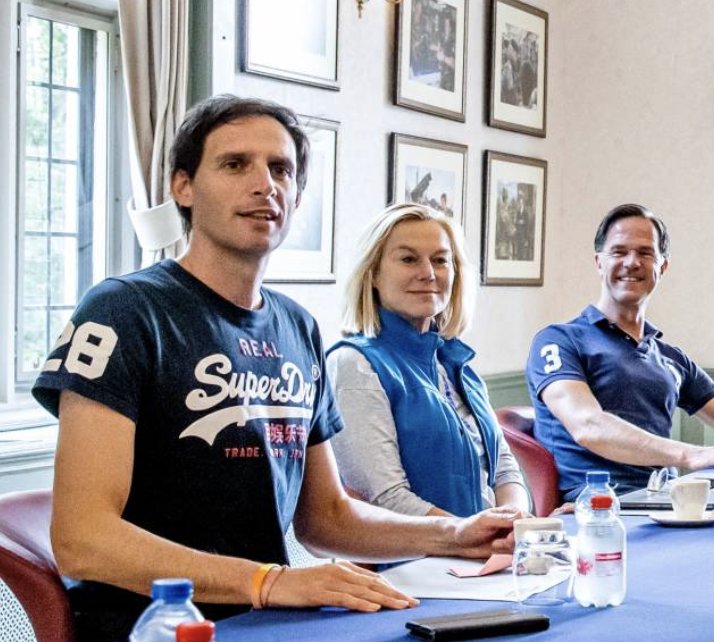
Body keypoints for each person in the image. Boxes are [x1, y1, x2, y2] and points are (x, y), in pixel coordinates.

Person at [32, 96, 517, 642]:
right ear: (183, 187)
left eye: (280, 168)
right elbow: (82, 537)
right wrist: (268, 580)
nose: (265, 184)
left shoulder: (297, 327)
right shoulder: (124, 310)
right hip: (155, 626)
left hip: (270, 622)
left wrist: (455, 534)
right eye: (235, 164)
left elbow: (327, 517)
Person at [526, 203, 714, 499]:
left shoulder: (670, 358)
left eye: (645, 253)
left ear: (662, 267)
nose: (632, 262)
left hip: (665, 500)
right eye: (619, 252)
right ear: (599, 262)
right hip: (599, 507)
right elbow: (589, 426)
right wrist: (691, 455)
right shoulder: (557, 341)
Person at [327, 203, 530, 518]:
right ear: (373, 274)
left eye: (440, 260)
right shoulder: (355, 364)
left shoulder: (454, 363)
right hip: (412, 562)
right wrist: (475, 537)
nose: (428, 273)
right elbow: (385, 500)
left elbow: (504, 471)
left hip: (478, 557)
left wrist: (515, 522)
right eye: (408, 259)